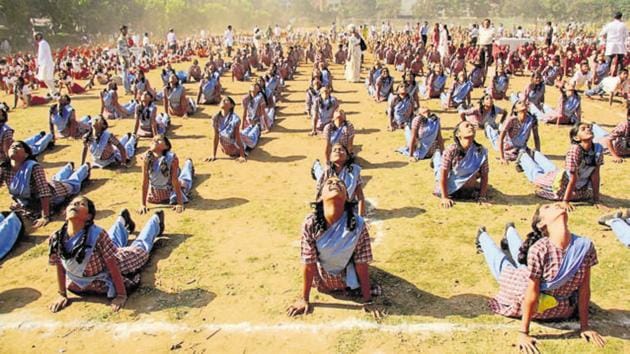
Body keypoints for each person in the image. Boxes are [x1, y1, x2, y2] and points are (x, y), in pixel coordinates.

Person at [475, 204, 606, 353]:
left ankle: (510, 231)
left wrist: (585, 327)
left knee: (521, 260)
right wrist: (523, 333)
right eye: (548, 207)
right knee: (502, 265)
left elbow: (584, 288)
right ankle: (483, 237)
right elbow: (531, 293)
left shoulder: (585, 246)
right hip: (527, 294)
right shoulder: (539, 249)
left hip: (562, 309)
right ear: (541, 223)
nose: (556, 205)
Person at [48, 196, 165, 313]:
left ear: (88, 216)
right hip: (83, 278)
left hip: (115, 263)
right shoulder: (56, 238)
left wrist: (121, 295)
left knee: (140, 249)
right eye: (73, 203)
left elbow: (113, 265)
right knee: (112, 241)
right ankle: (122, 221)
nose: (75, 205)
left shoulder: (97, 235)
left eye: (81, 204)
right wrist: (62, 294)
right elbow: (60, 266)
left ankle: (155, 221)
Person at [286, 176, 380, 318]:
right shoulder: (310, 224)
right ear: (319, 197)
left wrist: (368, 300)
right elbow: (309, 262)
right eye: (329, 183)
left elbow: (361, 263)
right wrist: (304, 299)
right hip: (322, 280)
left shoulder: (358, 225)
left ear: (347, 197)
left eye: (339, 183)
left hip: (349, 279)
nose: (335, 183)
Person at [516, 123, 606, 209]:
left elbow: (595, 174)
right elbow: (572, 177)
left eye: (588, 127)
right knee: (537, 176)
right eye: (583, 129)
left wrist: (596, 200)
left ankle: (535, 154)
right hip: (562, 184)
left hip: (579, 187)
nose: (588, 129)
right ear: (576, 137)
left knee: (553, 171)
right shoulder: (575, 150)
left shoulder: (598, 148)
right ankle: (523, 156)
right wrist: (565, 201)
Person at [0, 140, 90, 226]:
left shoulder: (33, 167)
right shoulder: (4, 169)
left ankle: (85, 168)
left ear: (26, 154)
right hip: (30, 201)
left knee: (72, 184)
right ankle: (68, 167)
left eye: (18, 146)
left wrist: (45, 216)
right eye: (12, 146)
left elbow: (44, 193)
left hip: (54, 194)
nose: (14, 148)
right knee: (56, 179)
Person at [432, 121, 489, 208]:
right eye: (467, 126)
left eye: (471, 125)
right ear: (458, 134)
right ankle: (436, 156)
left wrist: (482, 197)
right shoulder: (451, 150)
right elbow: (443, 175)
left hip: (467, 189)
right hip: (451, 183)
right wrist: (445, 197)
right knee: (438, 172)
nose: (471, 127)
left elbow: (485, 175)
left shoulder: (481, 151)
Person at [139, 135, 194, 214]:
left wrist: (180, 203)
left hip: (171, 189)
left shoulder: (172, 158)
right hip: (155, 194)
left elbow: (174, 181)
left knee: (185, 181)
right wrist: (143, 204)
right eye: (154, 139)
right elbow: (145, 182)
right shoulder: (146, 159)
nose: (155, 140)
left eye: (159, 140)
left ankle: (188, 164)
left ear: (166, 146)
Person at [312, 144, 365, 216]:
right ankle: (316, 166)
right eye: (334, 150)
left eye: (341, 149)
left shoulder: (354, 171)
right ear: (330, 157)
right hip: (330, 204)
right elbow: (319, 196)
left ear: (347, 156)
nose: (338, 151)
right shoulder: (326, 172)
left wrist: (360, 217)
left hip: (347, 204)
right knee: (319, 173)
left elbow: (360, 196)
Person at [207, 96, 246, 163]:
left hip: (235, 148)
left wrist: (242, 155)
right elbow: (216, 136)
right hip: (225, 148)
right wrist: (213, 155)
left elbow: (238, 138)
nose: (223, 101)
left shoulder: (235, 119)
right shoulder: (215, 118)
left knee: (251, 135)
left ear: (231, 105)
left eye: (226, 100)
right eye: (222, 100)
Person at [599, 12, 628, 76]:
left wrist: (605, 40)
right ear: (621, 17)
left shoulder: (609, 24)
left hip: (610, 45)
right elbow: (626, 35)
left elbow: (601, 34)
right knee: (620, 62)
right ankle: (620, 75)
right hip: (620, 45)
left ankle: (606, 74)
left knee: (608, 61)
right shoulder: (623, 25)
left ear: (614, 17)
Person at [34, 32, 56, 98]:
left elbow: (42, 56)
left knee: (48, 79)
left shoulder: (43, 43)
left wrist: (38, 65)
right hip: (44, 64)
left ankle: (54, 92)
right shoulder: (41, 44)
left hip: (46, 64)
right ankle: (52, 91)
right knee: (45, 79)